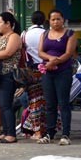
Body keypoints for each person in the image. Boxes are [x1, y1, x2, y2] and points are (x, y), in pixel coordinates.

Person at [38, 9, 77, 146]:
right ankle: (50, 133)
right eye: (53, 19)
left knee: (63, 103)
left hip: (63, 72)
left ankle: (66, 134)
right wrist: (50, 59)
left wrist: (55, 61)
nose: (56, 22)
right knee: (50, 104)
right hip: (48, 72)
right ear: (49, 21)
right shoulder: (45, 34)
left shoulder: (70, 34)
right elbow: (40, 52)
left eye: (58, 19)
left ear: (63, 20)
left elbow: (68, 53)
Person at [0, 12, 22, 143]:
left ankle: (11, 134)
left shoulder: (14, 37)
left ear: (8, 24)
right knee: (1, 104)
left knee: (6, 105)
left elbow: (8, 52)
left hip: (8, 74)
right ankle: (6, 131)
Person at [21, 11, 47, 140]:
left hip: (31, 72)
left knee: (34, 101)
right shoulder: (47, 34)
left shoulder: (25, 35)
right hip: (47, 70)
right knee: (46, 101)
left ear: (31, 20)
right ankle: (43, 129)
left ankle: (37, 131)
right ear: (44, 21)